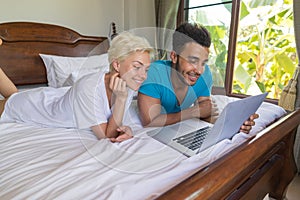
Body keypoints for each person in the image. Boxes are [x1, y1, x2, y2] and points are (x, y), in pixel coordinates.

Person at [0, 32, 153, 142]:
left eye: (146, 69)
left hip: (55, 97)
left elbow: (117, 124)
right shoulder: (89, 86)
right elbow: (108, 136)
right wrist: (120, 100)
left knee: (13, 94)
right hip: (35, 106)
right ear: (117, 65)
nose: (143, 76)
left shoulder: (126, 86)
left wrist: (128, 129)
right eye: (136, 67)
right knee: (13, 100)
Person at [138, 22, 258, 133]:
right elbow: (150, 121)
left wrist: (235, 125)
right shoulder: (153, 73)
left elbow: (206, 112)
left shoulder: (205, 75)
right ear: (174, 57)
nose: (199, 71)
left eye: (203, 63)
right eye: (193, 61)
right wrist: (193, 111)